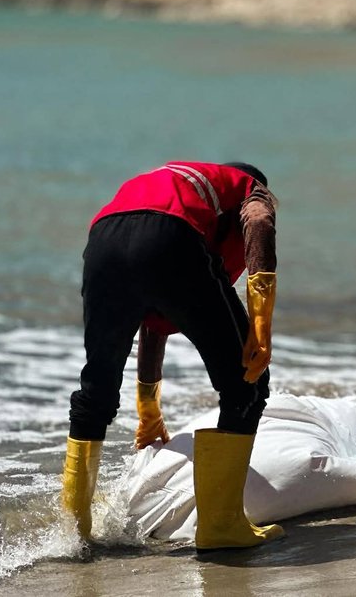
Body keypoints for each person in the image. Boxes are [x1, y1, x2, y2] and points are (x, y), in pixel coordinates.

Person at [60, 160, 285, 551]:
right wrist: (261, 323)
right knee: (246, 382)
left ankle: (72, 533)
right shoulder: (248, 187)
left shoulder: (178, 184)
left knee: (95, 393)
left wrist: (149, 406)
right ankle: (222, 527)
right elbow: (261, 221)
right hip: (171, 235)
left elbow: (154, 317)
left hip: (102, 241)